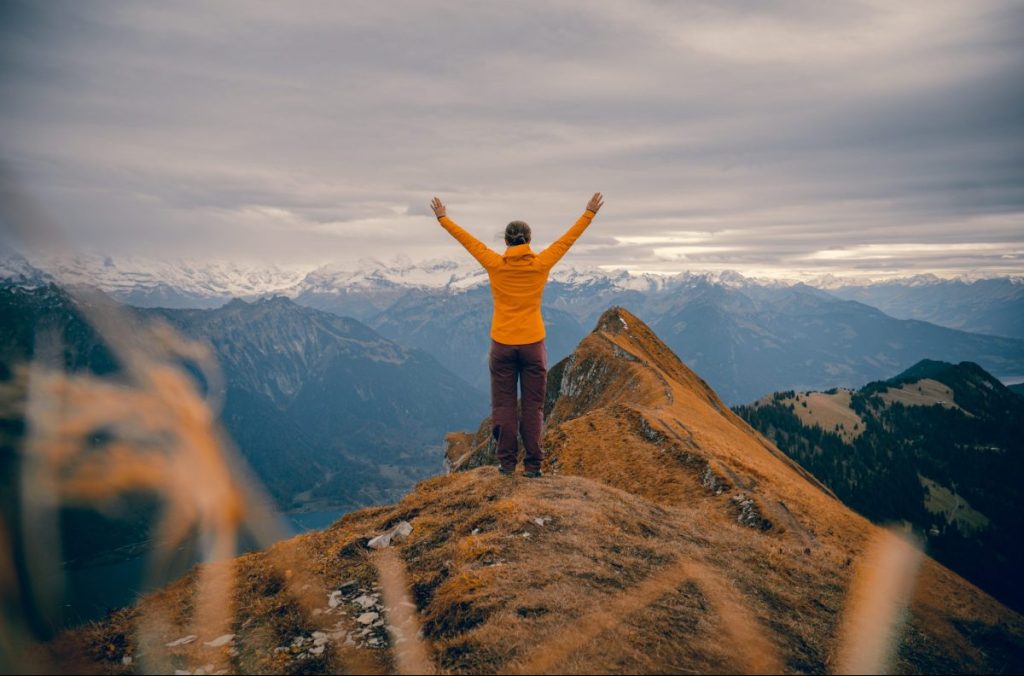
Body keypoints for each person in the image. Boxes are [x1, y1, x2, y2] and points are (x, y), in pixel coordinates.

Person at [430, 192, 605, 477]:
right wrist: (589, 213)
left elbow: (468, 242)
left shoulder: (495, 264)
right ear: (529, 239)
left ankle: (507, 464)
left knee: (504, 405)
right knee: (533, 408)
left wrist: (443, 219)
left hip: (502, 345)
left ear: (506, 241)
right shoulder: (540, 264)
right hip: (533, 345)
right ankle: (533, 466)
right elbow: (567, 240)